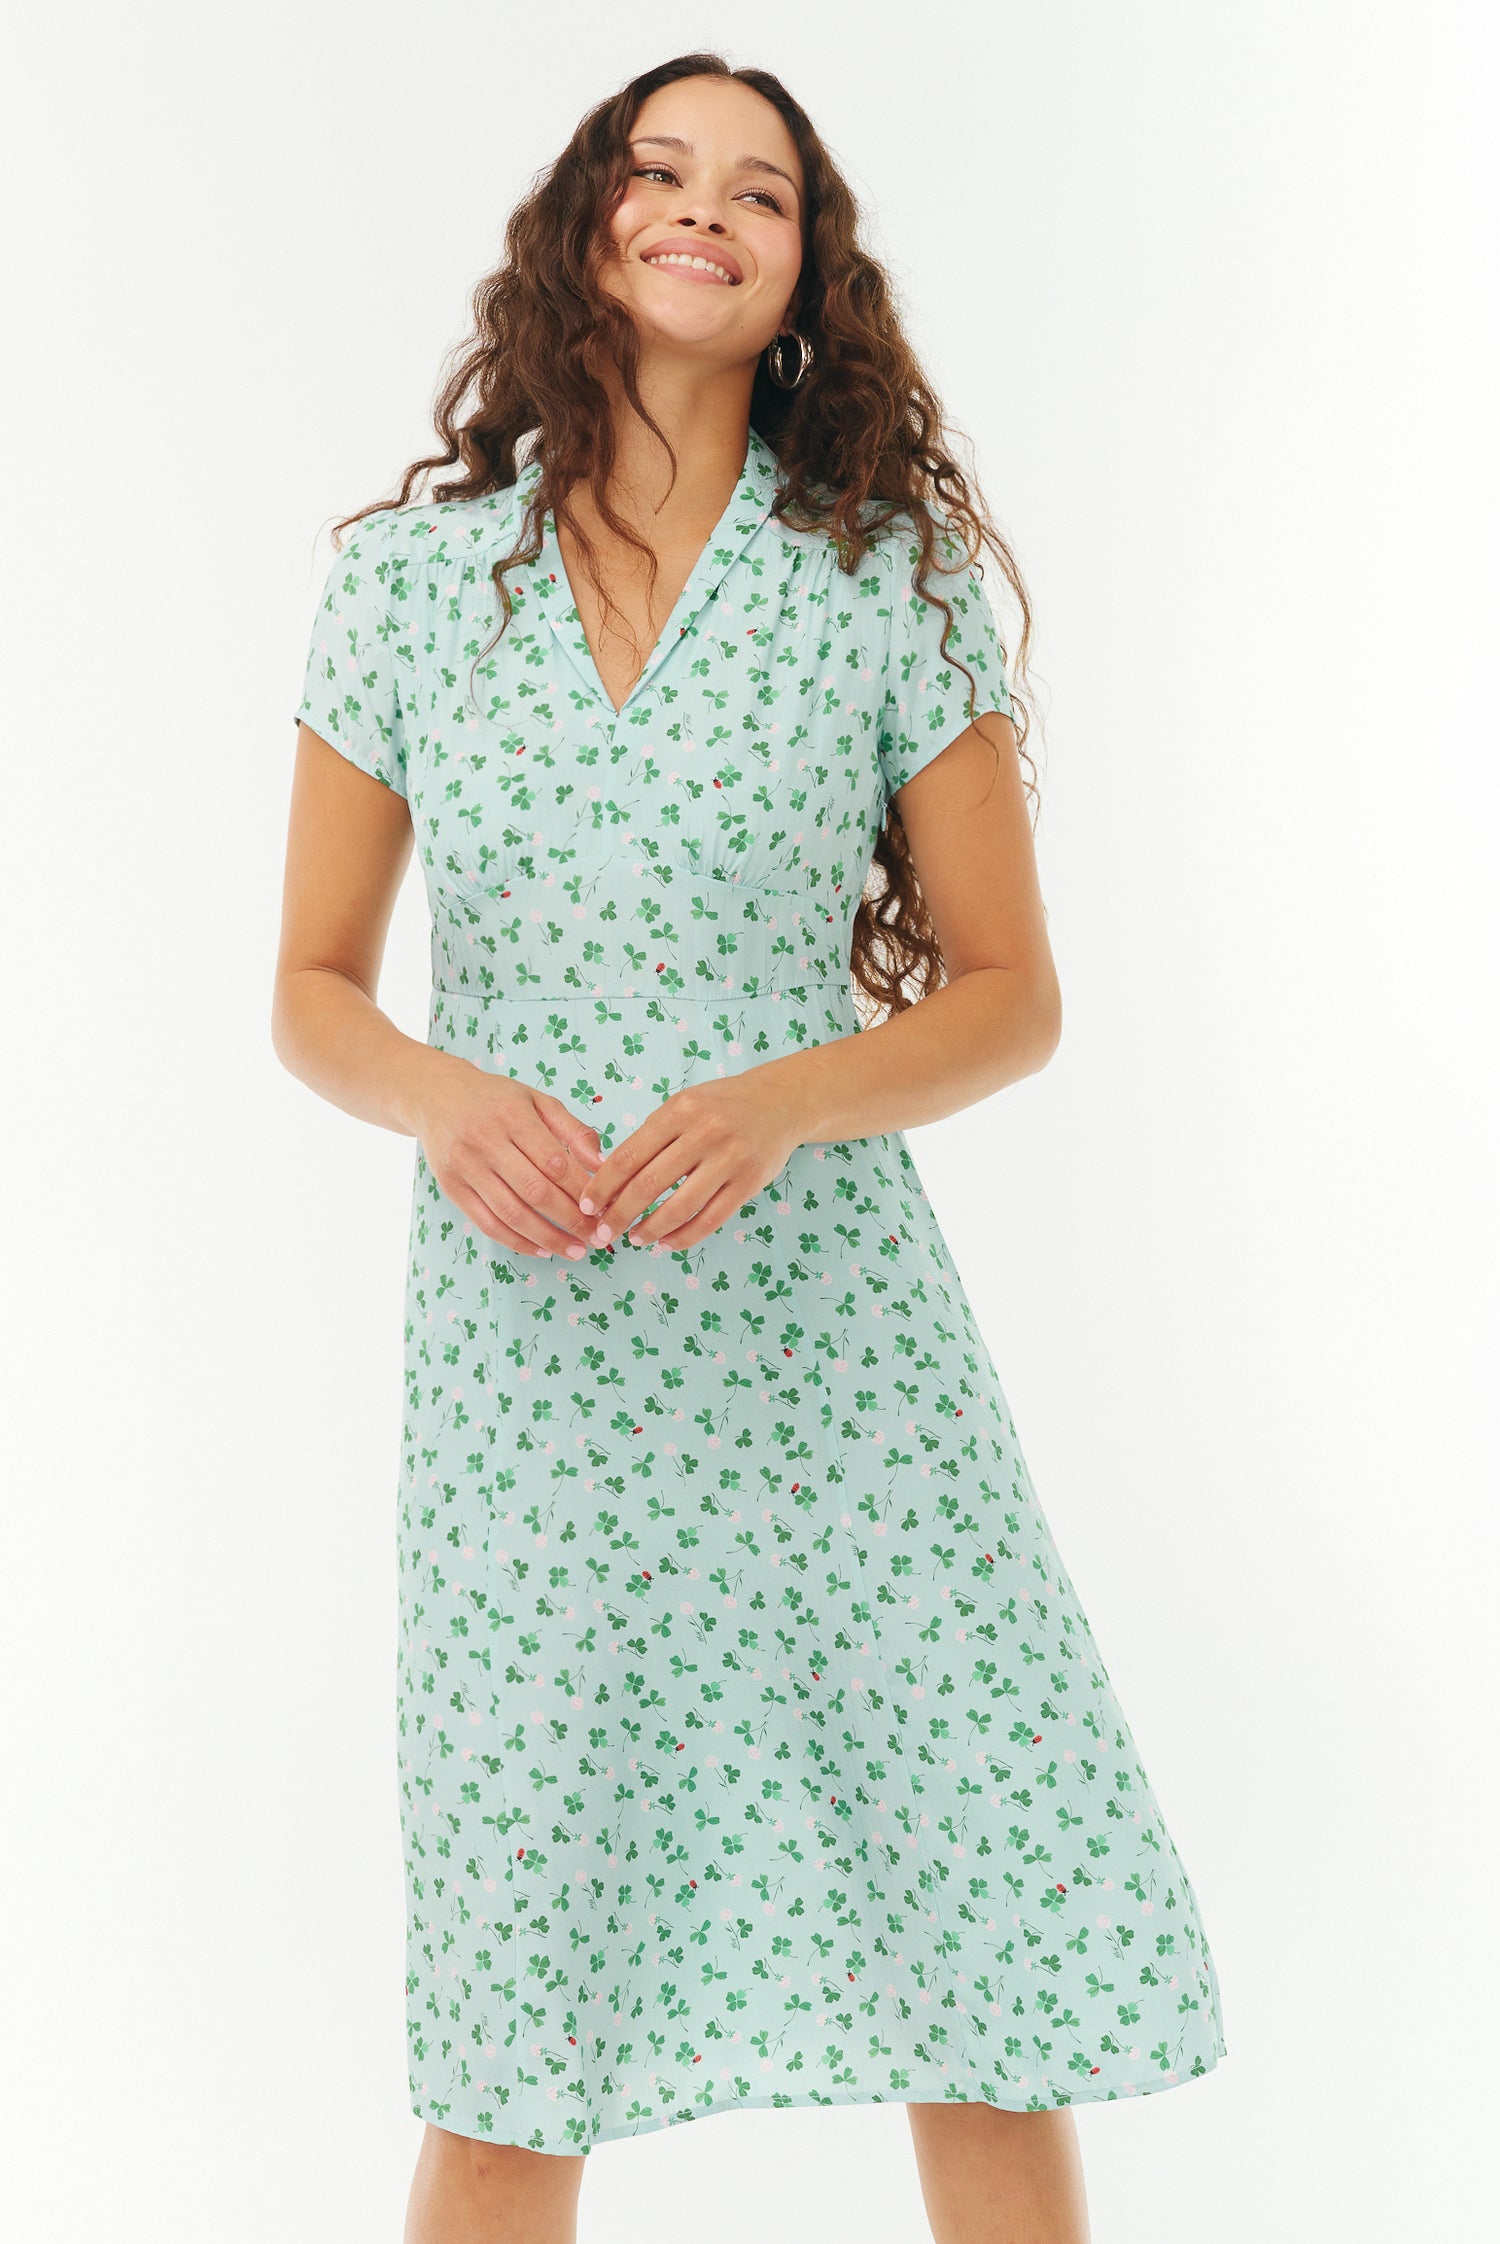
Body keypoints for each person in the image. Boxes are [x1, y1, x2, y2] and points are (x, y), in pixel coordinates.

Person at [273, 51, 1226, 2244]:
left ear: (808, 275)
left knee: (979, 1951)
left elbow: (1014, 993)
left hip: (835, 1364)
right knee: (532, 1987)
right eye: (660, 170)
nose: (703, 210)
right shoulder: (412, 589)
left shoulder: (882, 581)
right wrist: (446, 1096)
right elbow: (308, 986)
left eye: (761, 191)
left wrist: (791, 1090)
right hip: (534, 1365)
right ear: (583, 226)